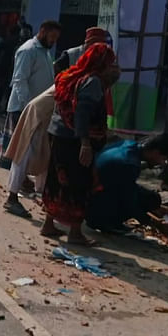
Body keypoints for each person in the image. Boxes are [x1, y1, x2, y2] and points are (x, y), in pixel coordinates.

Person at [43, 43, 119, 245]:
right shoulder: (92, 82)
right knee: (79, 183)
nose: (113, 66)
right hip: (76, 141)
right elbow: (82, 113)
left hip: (58, 135)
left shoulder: (69, 76)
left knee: (56, 179)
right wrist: (85, 144)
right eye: (111, 62)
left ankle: (48, 223)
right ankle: (75, 233)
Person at [86, 134, 168, 233]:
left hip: (98, 190)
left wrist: (157, 208)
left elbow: (128, 187)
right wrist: (155, 223)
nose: (163, 163)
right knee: (135, 203)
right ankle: (107, 223)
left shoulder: (128, 145)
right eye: (164, 159)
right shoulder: (129, 164)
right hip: (94, 206)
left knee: (153, 199)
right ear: (156, 152)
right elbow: (130, 203)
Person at [2, 85, 55, 218]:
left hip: (44, 115)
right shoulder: (78, 82)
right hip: (39, 115)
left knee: (44, 155)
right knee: (23, 153)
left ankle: (40, 193)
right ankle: (12, 197)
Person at [5, 20, 61, 128]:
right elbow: (20, 80)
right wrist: (28, 107)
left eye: (56, 38)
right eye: (52, 36)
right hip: (22, 110)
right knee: (18, 144)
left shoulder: (45, 52)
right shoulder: (28, 50)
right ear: (43, 31)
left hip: (37, 110)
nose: (54, 41)